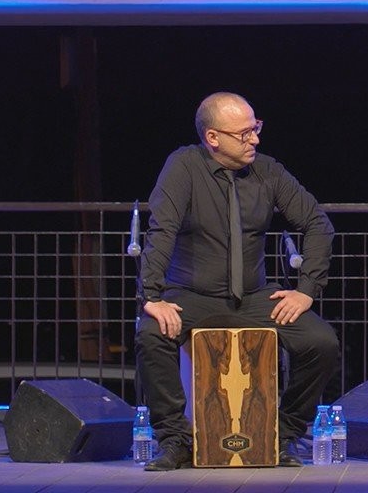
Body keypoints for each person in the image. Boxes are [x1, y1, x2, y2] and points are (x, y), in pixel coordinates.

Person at [136, 91, 339, 470]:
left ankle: (282, 433)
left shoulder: (267, 170)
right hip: (191, 295)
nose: (255, 139)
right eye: (244, 133)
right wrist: (151, 295)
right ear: (213, 137)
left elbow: (316, 224)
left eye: (255, 128)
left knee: (321, 343)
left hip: (253, 296)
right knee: (151, 335)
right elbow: (161, 230)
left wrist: (306, 290)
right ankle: (176, 440)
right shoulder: (183, 167)